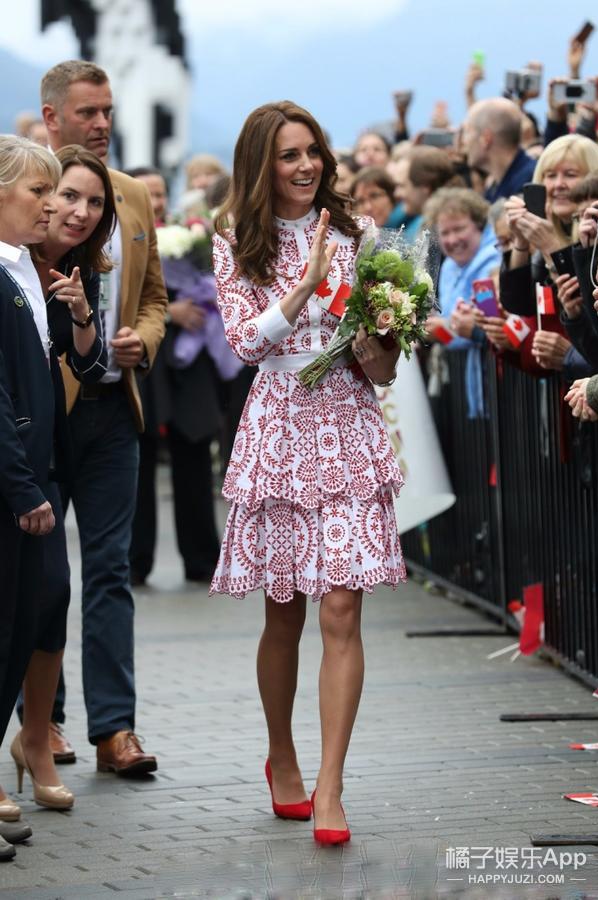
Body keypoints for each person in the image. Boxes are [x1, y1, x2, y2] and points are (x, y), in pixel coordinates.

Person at [210, 101, 405, 845]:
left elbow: (381, 369)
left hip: (350, 426)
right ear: (263, 165)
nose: (305, 166)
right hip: (280, 431)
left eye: (312, 152)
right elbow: (242, 346)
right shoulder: (233, 241)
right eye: (289, 155)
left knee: (341, 611)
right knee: (285, 612)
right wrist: (306, 286)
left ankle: (332, 786)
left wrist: (383, 331)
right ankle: (282, 757)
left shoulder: (359, 235)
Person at [41, 60, 167, 774]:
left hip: (115, 407)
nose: (102, 125)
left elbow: (151, 297)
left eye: (109, 112)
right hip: (44, 413)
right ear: (53, 117)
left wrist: (140, 340)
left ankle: (115, 731)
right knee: (43, 574)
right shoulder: (25, 188)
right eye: (88, 112)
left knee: (110, 570)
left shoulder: (130, 197)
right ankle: (45, 720)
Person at [11, 144, 115, 813]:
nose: (65, 209)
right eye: (53, 193)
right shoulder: (13, 262)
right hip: (19, 459)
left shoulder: (58, 268)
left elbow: (89, 362)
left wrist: (78, 313)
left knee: (53, 596)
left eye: (86, 202)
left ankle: (36, 739)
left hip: (50, 452)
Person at [0, 135, 62, 860]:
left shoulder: (22, 271)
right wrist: (21, 483)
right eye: (35, 191)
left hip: (28, 476)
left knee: (21, 627)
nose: (49, 203)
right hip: (11, 484)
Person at [126, 166, 223, 586]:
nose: (157, 202)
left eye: (162, 194)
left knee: (195, 451)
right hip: (145, 359)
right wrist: (169, 312)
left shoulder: (193, 236)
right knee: (138, 463)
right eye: (147, 194)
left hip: (189, 360)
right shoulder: (119, 241)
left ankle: (202, 559)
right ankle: (135, 561)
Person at [501, 135, 598, 377]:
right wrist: (521, 242)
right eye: (550, 175)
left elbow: (586, 304)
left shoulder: (593, 236)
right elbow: (517, 303)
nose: (558, 185)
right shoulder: (547, 231)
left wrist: (551, 245)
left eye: (570, 174)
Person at [424, 187, 501, 418]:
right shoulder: (448, 267)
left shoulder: (493, 259)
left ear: (478, 224)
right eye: (445, 233)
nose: (452, 239)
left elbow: (482, 327)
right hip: (469, 383)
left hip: (500, 378)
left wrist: (442, 332)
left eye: (459, 229)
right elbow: (454, 326)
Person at [462, 98, 536, 203]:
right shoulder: (495, 186)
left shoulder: (528, 184)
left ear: (485, 139)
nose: (464, 141)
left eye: (468, 132)